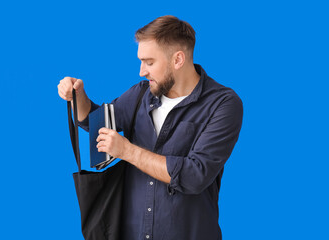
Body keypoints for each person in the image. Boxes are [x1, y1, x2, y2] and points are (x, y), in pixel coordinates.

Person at [58, 15, 243, 240]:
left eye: (150, 62)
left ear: (178, 60)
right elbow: (96, 124)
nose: (142, 71)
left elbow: (195, 175)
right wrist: (79, 98)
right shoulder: (140, 94)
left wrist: (127, 151)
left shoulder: (222, 104)